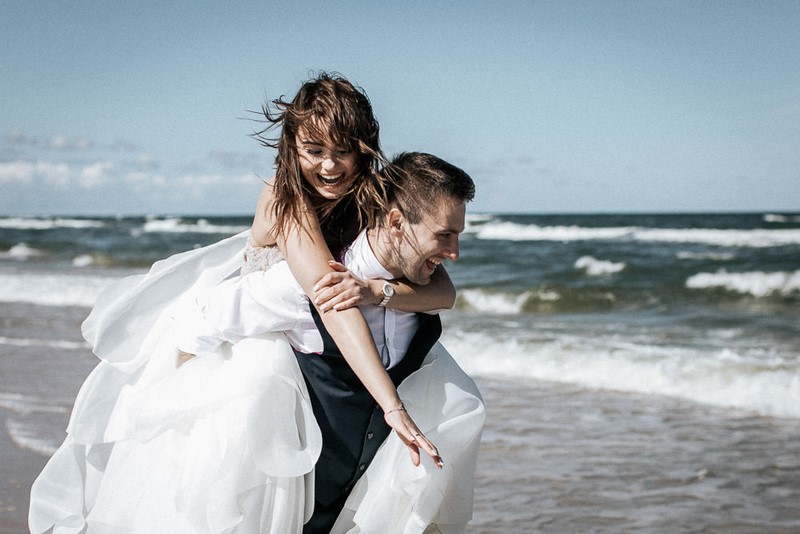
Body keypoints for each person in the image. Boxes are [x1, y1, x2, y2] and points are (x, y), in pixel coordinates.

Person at [28, 74, 454, 532]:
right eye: (314, 152)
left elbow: (443, 291)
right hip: (253, 347)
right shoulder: (283, 196)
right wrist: (392, 406)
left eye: (343, 151)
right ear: (292, 148)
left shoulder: (369, 194)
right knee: (234, 499)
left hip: (312, 351)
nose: (330, 166)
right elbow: (329, 300)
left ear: (362, 147)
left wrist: (378, 291)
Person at [174, 152, 483, 532]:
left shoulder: (417, 293)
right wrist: (191, 430)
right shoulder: (310, 287)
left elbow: (445, 297)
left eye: (458, 236)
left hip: (362, 514)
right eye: (444, 235)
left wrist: (377, 291)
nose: (455, 253)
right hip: (290, 511)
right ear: (397, 222)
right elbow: (197, 322)